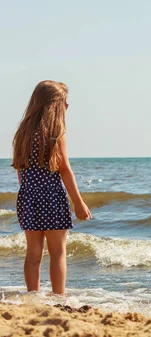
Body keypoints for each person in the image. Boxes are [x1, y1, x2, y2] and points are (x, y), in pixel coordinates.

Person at [12, 80, 92, 295]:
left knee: (32, 254)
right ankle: (59, 297)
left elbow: (20, 168)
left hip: (28, 197)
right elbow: (64, 169)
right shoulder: (56, 132)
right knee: (57, 252)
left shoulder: (23, 133)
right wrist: (78, 202)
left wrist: (30, 191)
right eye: (64, 103)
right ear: (54, 105)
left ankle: (33, 296)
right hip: (52, 198)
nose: (67, 107)